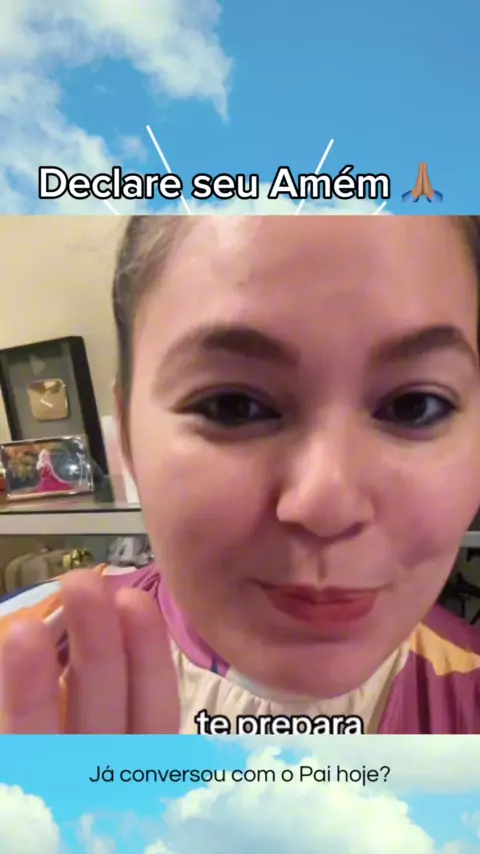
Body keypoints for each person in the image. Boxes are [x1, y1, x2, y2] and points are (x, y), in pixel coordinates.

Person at [1, 214, 479, 735]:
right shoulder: (24, 655)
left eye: (416, 406)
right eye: (233, 406)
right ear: (130, 436)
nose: (327, 506)